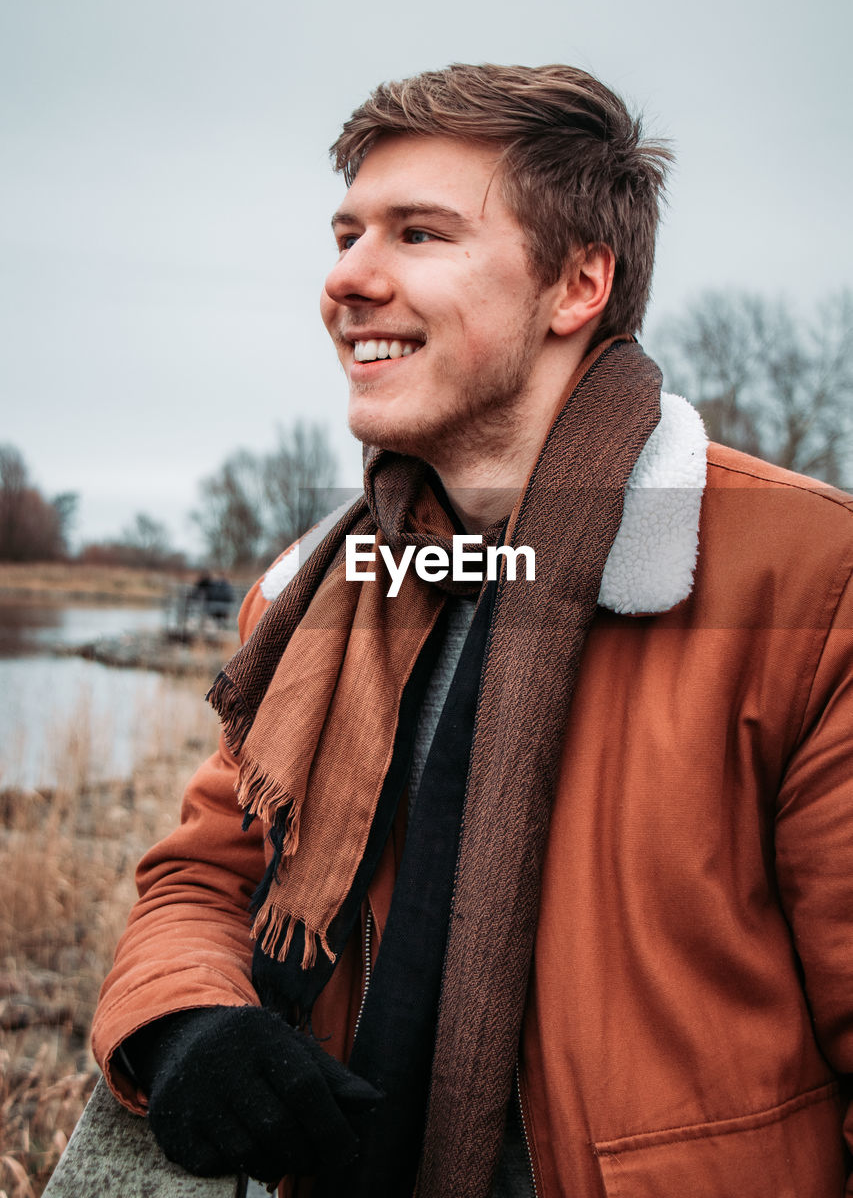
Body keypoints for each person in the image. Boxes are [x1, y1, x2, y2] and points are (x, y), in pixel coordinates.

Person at [92, 64, 853, 1197]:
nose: (347, 276)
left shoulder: (805, 580)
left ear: (577, 282)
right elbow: (203, 878)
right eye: (346, 232)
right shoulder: (312, 595)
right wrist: (191, 1022)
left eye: (420, 232)